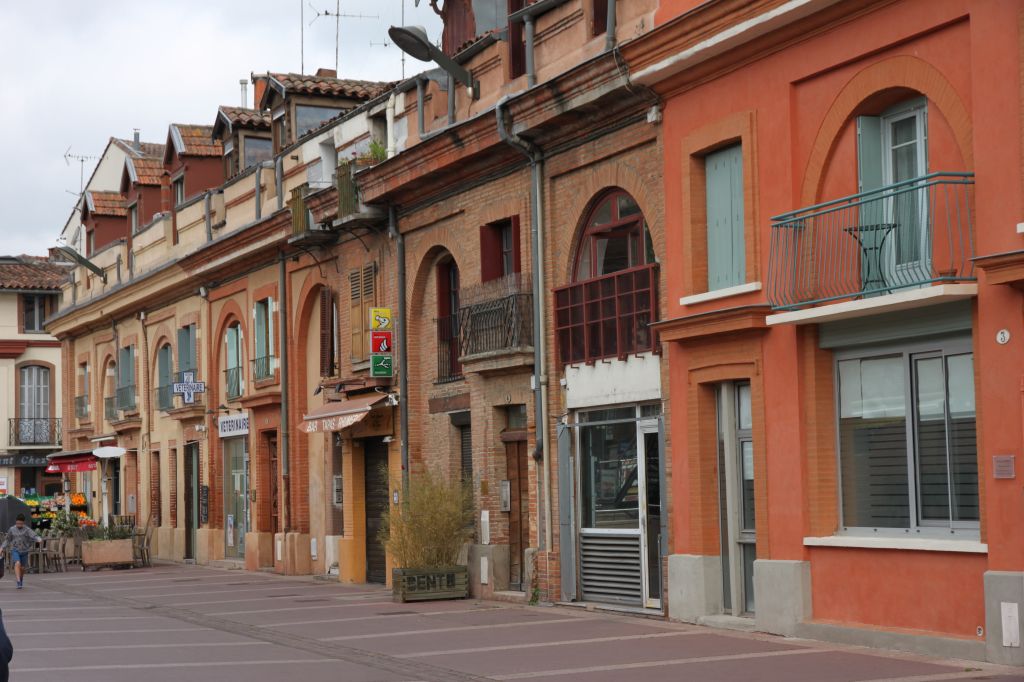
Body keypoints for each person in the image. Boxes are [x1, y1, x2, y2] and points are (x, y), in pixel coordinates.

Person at [0, 513, 41, 589]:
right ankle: (18, 582)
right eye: (17, 523)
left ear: (23, 523)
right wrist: (2, 547)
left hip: (24, 551)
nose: (19, 525)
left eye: (20, 523)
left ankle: (21, 579)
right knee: (17, 563)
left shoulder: (27, 530)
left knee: (22, 568)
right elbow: (7, 540)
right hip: (15, 549)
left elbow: (34, 535)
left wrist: (38, 539)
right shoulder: (12, 529)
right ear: (15, 522)